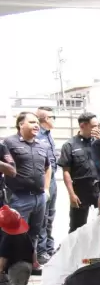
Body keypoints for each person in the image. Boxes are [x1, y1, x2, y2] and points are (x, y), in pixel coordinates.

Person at [3, 112, 51, 261]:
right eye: (31, 122)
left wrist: (47, 189)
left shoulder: (42, 145)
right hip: (19, 197)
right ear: (20, 124)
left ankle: (31, 262)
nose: (36, 125)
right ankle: (13, 265)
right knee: (15, 233)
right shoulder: (9, 143)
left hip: (39, 197)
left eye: (37, 122)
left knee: (35, 232)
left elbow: (48, 167)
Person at [59, 111, 100, 232]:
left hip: (99, 188)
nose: (97, 129)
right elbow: (66, 171)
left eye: (98, 126)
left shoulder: (99, 142)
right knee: (77, 226)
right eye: (94, 126)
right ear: (83, 126)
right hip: (80, 190)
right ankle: (75, 250)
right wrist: (71, 194)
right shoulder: (69, 145)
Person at [0, 205, 34, 285]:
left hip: (16, 267)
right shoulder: (25, 234)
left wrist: (0, 268)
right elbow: (33, 250)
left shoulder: (6, 239)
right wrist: (35, 262)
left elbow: (3, 257)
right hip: (28, 265)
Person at [35, 107, 57, 261]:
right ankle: (41, 251)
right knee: (43, 217)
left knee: (50, 215)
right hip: (43, 180)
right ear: (45, 119)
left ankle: (49, 248)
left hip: (53, 178)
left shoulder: (49, 135)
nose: (54, 119)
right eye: (52, 116)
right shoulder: (37, 136)